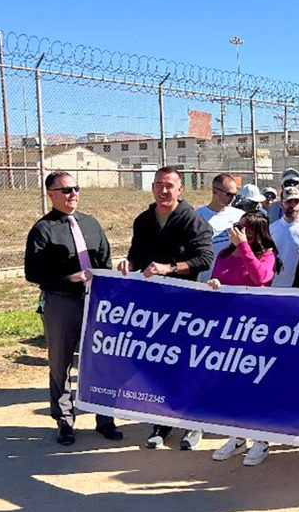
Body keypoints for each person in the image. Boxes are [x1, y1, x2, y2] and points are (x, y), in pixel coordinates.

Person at [118, 166, 213, 450]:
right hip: (153, 307)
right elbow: (136, 254)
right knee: (158, 365)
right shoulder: (144, 220)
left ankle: (194, 423)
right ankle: (161, 422)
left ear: (180, 189)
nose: (163, 190)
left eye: (169, 185)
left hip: (185, 305)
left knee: (188, 364)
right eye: (159, 184)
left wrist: (170, 268)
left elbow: (205, 259)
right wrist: (129, 264)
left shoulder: (192, 221)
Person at [24, 171, 122, 446]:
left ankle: (105, 419)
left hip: (95, 302)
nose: (73, 194)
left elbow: (105, 260)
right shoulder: (43, 230)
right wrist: (69, 278)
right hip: (61, 302)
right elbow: (32, 272)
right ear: (51, 194)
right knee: (61, 363)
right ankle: (64, 421)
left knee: (102, 361)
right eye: (66, 190)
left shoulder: (90, 224)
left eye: (75, 188)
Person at [206, 212, 279, 466]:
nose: (240, 231)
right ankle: (237, 437)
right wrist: (215, 283)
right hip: (227, 328)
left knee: (254, 385)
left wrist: (244, 247)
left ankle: (261, 440)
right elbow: (218, 278)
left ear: (257, 232)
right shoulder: (225, 255)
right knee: (230, 384)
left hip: (256, 329)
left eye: (246, 229)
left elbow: (261, 278)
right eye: (239, 227)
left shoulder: (266, 254)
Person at [196, 174, 244, 282]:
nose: (233, 198)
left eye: (235, 194)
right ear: (215, 192)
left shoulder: (240, 216)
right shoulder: (197, 216)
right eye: (229, 194)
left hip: (231, 280)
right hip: (205, 280)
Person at [268, 186, 299, 288]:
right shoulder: (272, 229)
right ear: (281, 204)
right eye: (289, 201)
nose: (293, 205)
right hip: (276, 287)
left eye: (296, 201)